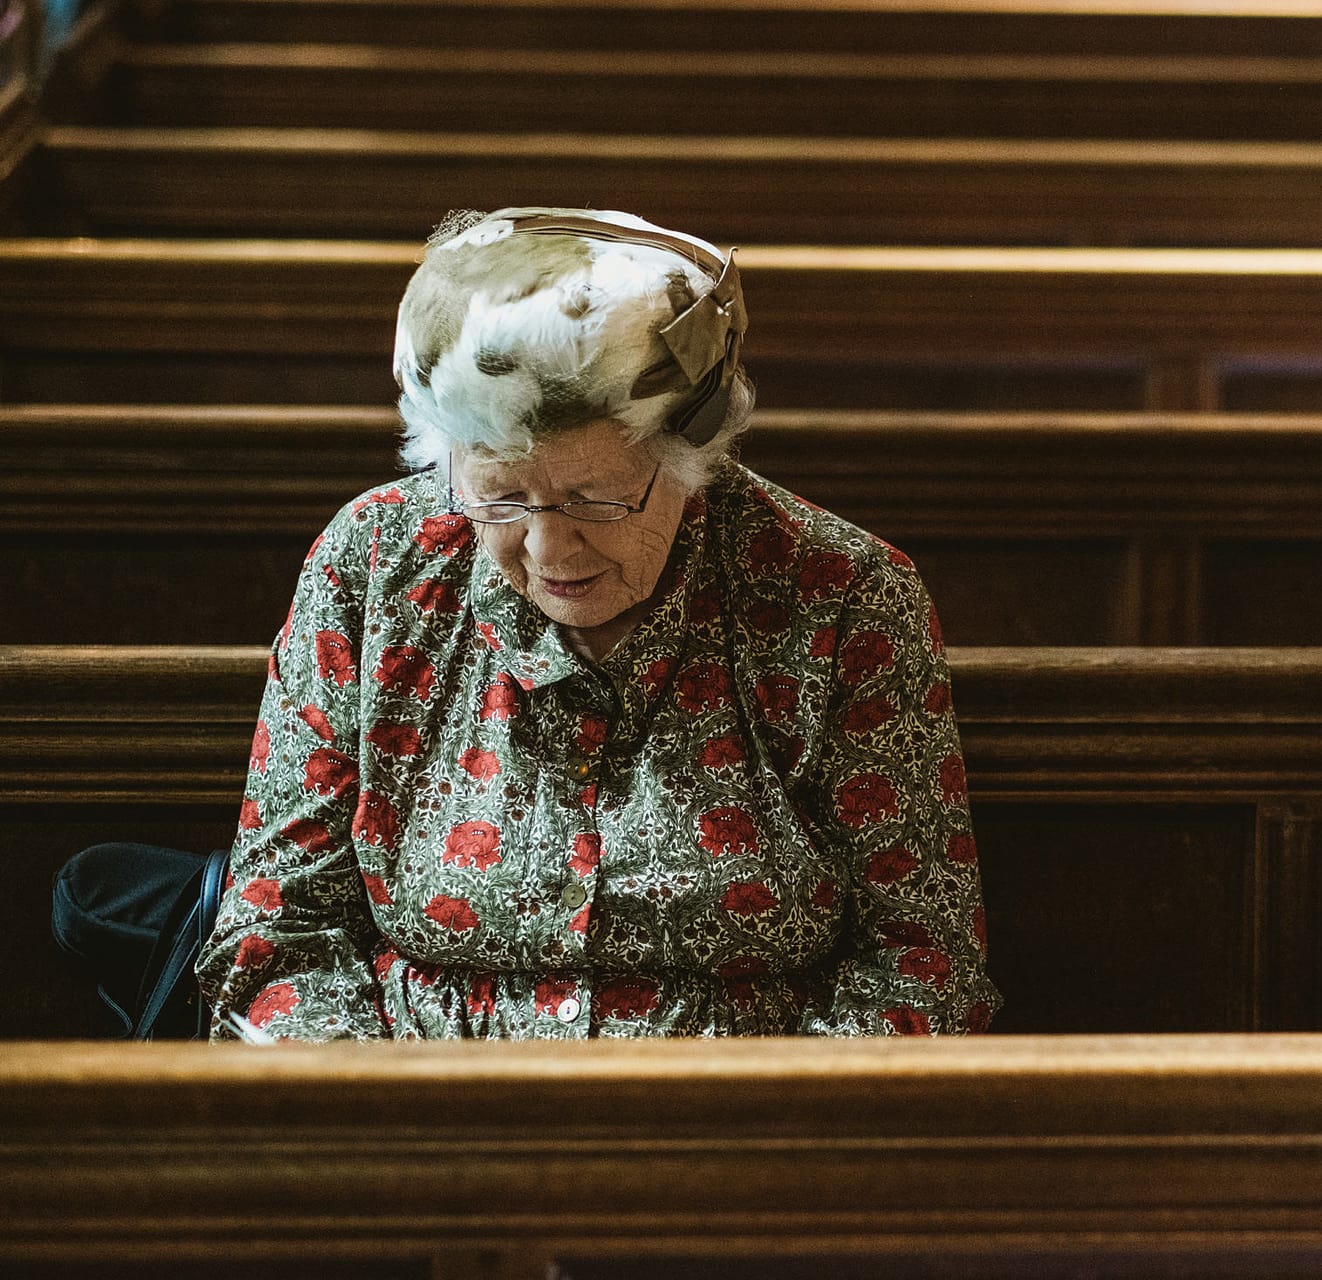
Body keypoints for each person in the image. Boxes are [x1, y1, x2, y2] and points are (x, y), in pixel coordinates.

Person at [192, 207, 1000, 1039]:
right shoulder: (372, 566)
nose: (548, 548)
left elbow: (920, 964)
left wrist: (764, 1150)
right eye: (500, 496)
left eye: (594, 499)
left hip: (743, 1139)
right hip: (414, 1128)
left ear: (693, 461)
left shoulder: (844, 598)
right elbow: (278, 933)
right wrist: (399, 1137)